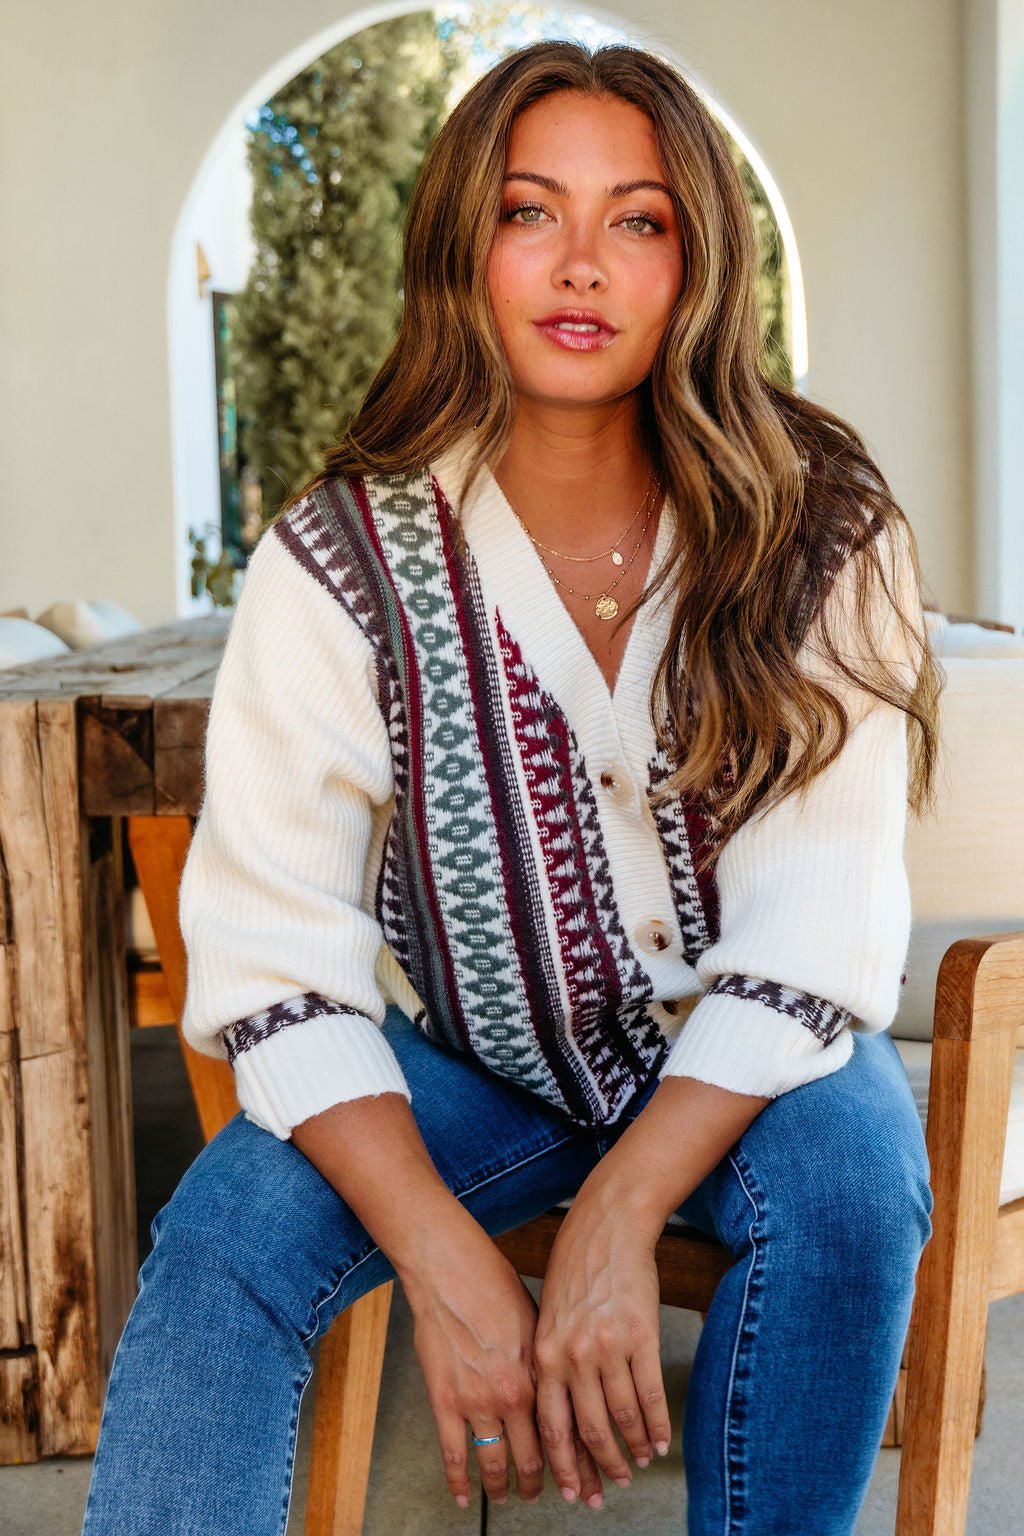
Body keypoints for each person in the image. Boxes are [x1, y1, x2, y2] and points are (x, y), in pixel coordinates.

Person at [81, 38, 942, 1536]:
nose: (582, 264)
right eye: (530, 212)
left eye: (640, 218)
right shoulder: (341, 556)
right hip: (481, 1068)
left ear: (701, 261)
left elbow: (814, 942)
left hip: (754, 1072)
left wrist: (612, 1217)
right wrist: (444, 1257)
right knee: (228, 1222)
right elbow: (278, 957)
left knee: (855, 1178)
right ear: (464, 250)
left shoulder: (823, 529)